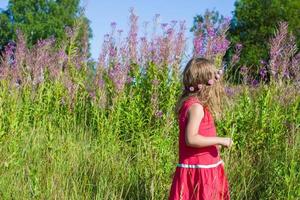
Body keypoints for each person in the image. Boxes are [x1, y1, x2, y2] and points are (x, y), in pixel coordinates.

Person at [168, 57, 233, 200]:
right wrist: (221, 140)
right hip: (200, 171)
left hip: (204, 167)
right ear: (205, 84)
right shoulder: (196, 107)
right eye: (214, 80)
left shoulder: (191, 104)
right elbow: (191, 138)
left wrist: (213, 145)